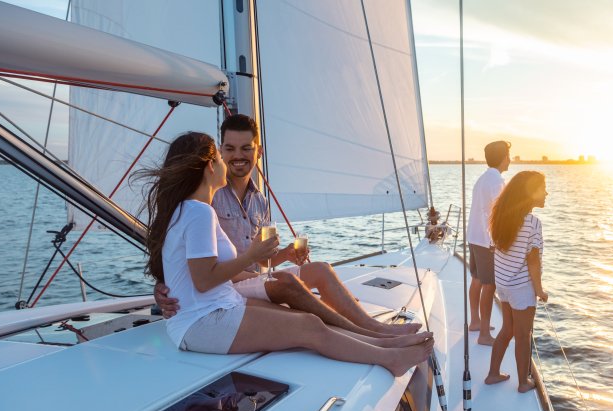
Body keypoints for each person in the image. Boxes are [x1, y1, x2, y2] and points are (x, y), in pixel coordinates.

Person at [139, 132, 432, 376]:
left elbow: (198, 274)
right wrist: (251, 253)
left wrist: (267, 257)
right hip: (200, 324)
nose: (225, 163)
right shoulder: (198, 212)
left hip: (219, 307)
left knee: (309, 320)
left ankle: (381, 342)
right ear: (209, 167)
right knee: (308, 326)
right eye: (219, 156)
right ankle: (389, 358)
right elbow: (203, 280)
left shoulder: (189, 210)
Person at [483, 171, 548, 393]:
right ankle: (523, 382)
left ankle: (493, 374)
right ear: (529, 193)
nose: (546, 192)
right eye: (542, 188)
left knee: (507, 329)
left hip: (503, 284)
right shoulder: (532, 223)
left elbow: (496, 249)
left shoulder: (501, 218)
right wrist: (539, 289)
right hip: (521, 287)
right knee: (523, 335)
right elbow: (533, 260)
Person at [467, 140, 511, 345]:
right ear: (503, 158)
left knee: (477, 279)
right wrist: (498, 241)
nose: (510, 159)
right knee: (489, 285)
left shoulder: (483, 178)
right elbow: (496, 214)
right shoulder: (496, 182)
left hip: (474, 237)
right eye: (508, 155)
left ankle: (475, 321)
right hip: (487, 241)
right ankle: (484, 334)